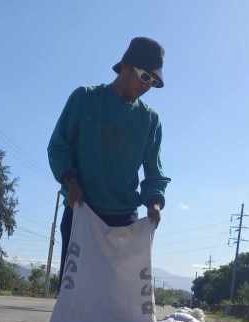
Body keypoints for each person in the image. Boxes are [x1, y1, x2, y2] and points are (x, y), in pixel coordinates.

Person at [47, 36, 171, 285]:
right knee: (77, 296)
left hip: (124, 223)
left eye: (154, 82)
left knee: (118, 299)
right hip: (82, 214)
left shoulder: (149, 121)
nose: (148, 86)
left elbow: (154, 172)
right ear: (125, 66)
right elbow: (59, 146)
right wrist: (70, 181)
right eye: (145, 76)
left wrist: (154, 202)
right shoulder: (85, 99)